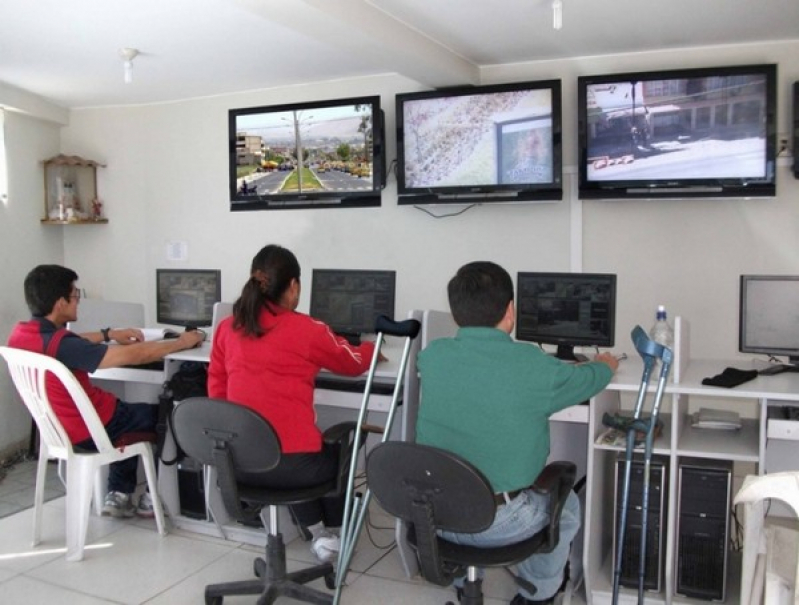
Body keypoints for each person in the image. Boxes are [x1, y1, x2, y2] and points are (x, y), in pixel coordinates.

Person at [415, 261, 619, 605]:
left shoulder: (431, 356)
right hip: (502, 521)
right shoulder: (533, 365)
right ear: (510, 311)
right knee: (566, 505)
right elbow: (589, 381)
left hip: (435, 515)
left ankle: (466, 579)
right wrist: (606, 365)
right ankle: (540, 593)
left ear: (455, 314)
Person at [207, 244, 376, 563]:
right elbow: (352, 362)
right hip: (293, 470)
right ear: (294, 285)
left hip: (239, 466)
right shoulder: (306, 329)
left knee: (288, 445)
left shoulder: (227, 328)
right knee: (342, 448)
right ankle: (333, 535)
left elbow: (217, 391)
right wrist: (371, 349)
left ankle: (316, 531)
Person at [7, 264, 206, 518]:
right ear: (60, 303)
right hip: (94, 428)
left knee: (126, 409)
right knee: (169, 416)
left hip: (58, 430)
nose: (78, 301)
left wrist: (107, 334)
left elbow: (74, 343)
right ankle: (153, 497)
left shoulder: (22, 335)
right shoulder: (63, 345)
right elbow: (132, 355)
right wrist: (180, 343)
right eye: (75, 295)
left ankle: (119, 494)